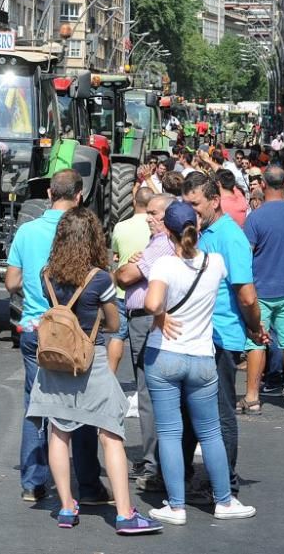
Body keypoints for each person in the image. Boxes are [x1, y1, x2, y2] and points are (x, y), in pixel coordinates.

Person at [26, 207, 162, 535]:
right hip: (90, 360)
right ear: (92, 238)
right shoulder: (99, 278)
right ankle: (126, 514)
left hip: (56, 361)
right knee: (111, 431)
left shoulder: (48, 274)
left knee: (59, 431)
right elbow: (114, 323)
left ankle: (66, 506)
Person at [143, 201, 256, 524]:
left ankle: (175, 505)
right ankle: (224, 500)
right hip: (202, 356)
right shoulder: (215, 262)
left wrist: (162, 315)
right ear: (196, 225)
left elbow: (152, 303)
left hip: (165, 354)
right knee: (210, 433)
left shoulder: (165, 265)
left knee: (169, 432)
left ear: (168, 230)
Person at [6, 170, 106, 506]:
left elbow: (10, 282)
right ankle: (89, 486)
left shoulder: (27, 231)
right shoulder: (84, 231)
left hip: (38, 331)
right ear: (80, 196)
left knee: (36, 407)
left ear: (49, 192)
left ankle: (33, 482)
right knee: (81, 406)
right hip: (75, 333)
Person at [181, 172, 266, 501]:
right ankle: (186, 476)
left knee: (219, 412)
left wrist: (255, 326)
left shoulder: (229, 237)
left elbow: (246, 294)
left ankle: (225, 483)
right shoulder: (201, 232)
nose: (191, 211)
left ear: (214, 201)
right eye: (186, 204)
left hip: (220, 338)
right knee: (188, 411)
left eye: (195, 204)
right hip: (196, 336)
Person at [114, 193, 177, 491]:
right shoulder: (158, 242)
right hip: (144, 317)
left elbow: (125, 276)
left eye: (155, 214)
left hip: (145, 319)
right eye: (149, 212)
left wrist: (130, 266)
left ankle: (154, 462)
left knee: (148, 391)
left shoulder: (162, 243)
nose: (149, 218)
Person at [239, 166, 284, 413]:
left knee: (257, 342)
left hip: (260, 290)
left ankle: (252, 396)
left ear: (263, 185)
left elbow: (245, 257)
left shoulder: (256, 218)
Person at [109, 187, 153, 373]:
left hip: (121, 290)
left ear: (134, 202)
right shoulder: (155, 226)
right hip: (145, 292)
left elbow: (116, 255)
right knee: (144, 340)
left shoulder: (120, 226)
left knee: (118, 336)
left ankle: (110, 377)